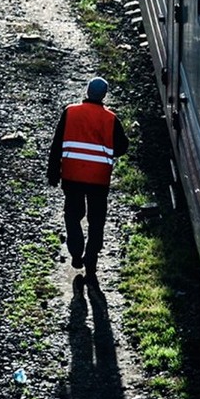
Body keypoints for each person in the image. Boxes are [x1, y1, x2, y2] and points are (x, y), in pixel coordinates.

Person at [47, 77, 129, 278]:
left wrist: (53, 172)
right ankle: (91, 259)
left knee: (73, 215)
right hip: (99, 178)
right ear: (104, 95)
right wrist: (105, 152)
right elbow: (122, 147)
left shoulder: (70, 112)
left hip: (72, 174)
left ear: (87, 91)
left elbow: (57, 144)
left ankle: (76, 253)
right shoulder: (110, 119)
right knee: (96, 219)